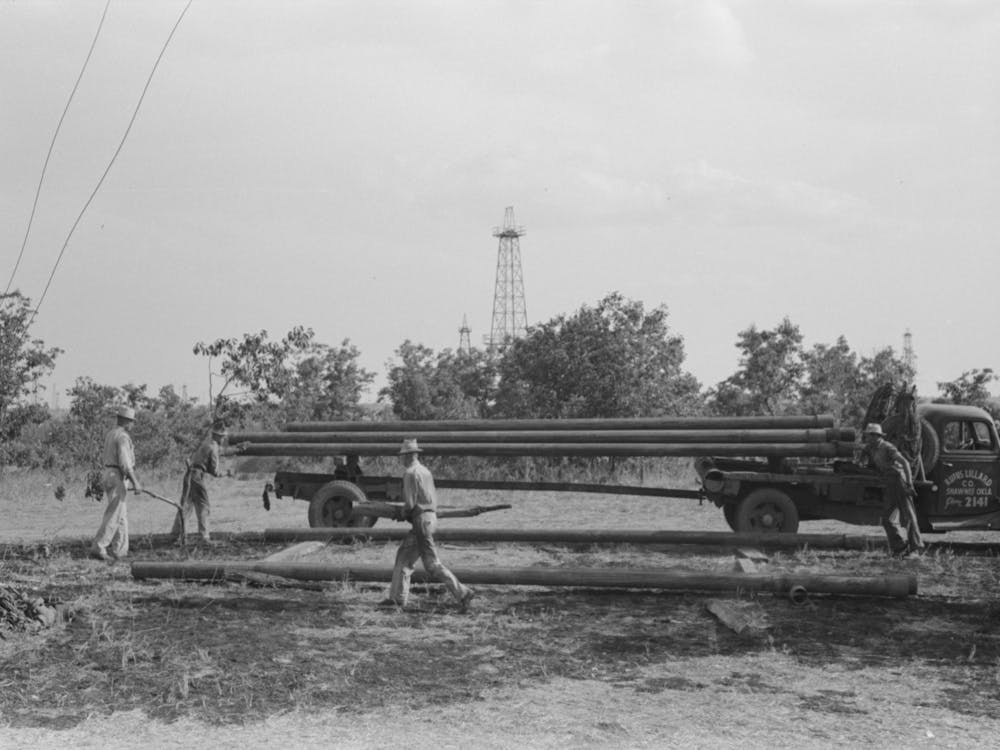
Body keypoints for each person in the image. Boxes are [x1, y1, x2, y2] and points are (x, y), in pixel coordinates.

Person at [384, 439, 475, 611]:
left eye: (403, 456)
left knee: (431, 564)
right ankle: (396, 598)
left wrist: (400, 514)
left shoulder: (410, 473)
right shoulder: (425, 471)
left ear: (409, 455)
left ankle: (463, 592)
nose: (401, 459)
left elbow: (410, 504)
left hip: (421, 521)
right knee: (404, 557)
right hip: (430, 519)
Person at [862, 422, 924, 557]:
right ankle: (900, 547)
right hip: (889, 483)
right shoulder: (871, 448)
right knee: (887, 519)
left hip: (899, 481)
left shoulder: (887, 447)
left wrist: (909, 483)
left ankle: (916, 549)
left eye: (868, 436)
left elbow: (905, 463)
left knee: (908, 516)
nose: (866, 438)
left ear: (876, 436)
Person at [91, 405, 142, 561]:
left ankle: (120, 551)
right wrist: (136, 482)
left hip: (109, 473)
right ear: (126, 421)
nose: (132, 425)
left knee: (121, 515)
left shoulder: (111, 434)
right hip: (116, 475)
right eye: (131, 422)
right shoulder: (122, 437)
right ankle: (98, 547)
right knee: (114, 514)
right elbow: (125, 463)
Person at [171, 425, 228, 545]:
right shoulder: (214, 447)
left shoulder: (205, 444)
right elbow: (215, 472)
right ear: (218, 437)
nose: (223, 439)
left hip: (189, 475)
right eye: (222, 437)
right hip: (197, 476)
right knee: (203, 505)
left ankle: (177, 535)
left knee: (186, 505)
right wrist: (226, 473)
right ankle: (204, 537)